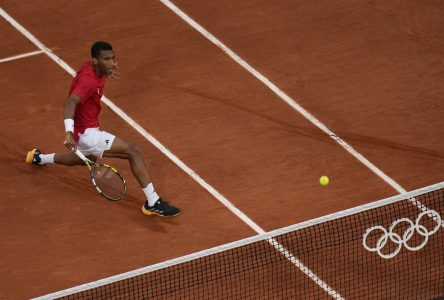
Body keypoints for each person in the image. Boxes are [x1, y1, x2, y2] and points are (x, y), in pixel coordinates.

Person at [26, 41, 181, 217]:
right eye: (107, 59)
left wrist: (106, 70)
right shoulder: (89, 81)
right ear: (95, 60)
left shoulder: (94, 69)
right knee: (133, 151)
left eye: (113, 58)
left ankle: (39, 158)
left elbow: (93, 78)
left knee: (84, 157)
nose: (113, 62)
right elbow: (71, 102)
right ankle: (153, 202)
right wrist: (68, 132)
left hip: (84, 129)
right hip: (87, 133)